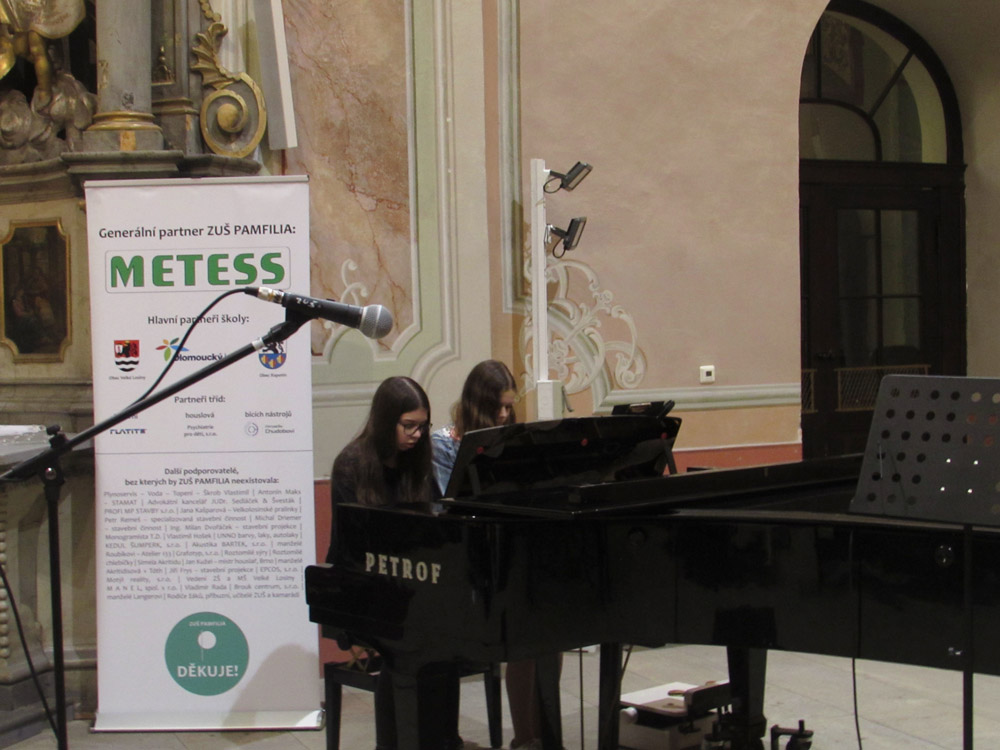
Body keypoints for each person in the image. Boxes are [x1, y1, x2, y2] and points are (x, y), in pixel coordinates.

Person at [327, 376, 460, 750]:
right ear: (386, 421)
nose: (417, 435)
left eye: (423, 426)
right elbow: (349, 547)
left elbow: (434, 526)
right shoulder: (351, 465)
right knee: (405, 648)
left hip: (411, 581)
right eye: (408, 426)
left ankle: (441, 740)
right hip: (364, 585)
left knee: (447, 640)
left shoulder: (418, 461)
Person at [431, 360, 551, 750]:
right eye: (496, 407)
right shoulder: (443, 444)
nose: (503, 415)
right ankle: (527, 737)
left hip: (506, 554)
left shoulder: (510, 439)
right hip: (466, 566)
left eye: (508, 407)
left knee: (548, 627)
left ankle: (536, 738)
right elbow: (450, 509)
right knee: (524, 627)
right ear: (475, 404)